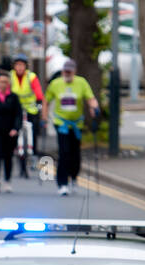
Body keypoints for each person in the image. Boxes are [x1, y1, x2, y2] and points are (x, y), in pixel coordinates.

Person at [42, 59, 98, 196]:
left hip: (76, 124)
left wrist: (94, 107)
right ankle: (62, 183)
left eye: (69, 71)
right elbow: (46, 100)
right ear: (62, 71)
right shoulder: (55, 84)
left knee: (75, 154)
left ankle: (73, 177)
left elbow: (90, 98)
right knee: (64, 152)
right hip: (61, 123)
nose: (67, 73)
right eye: (65, 71)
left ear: (74, 71)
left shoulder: (81, 82)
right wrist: (44, 117)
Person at [10, 53, 44, 174]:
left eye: (22, 65)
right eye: (17, 65)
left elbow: (38, 91)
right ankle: (14, 149)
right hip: (15, 109)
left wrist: (39, 101)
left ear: (26, 66)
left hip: (30, 108)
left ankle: (33, 155)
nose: (19, 67)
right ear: (14, 66)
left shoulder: (31, 76)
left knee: (33, 131)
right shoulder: (10, 76)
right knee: (12, 129)